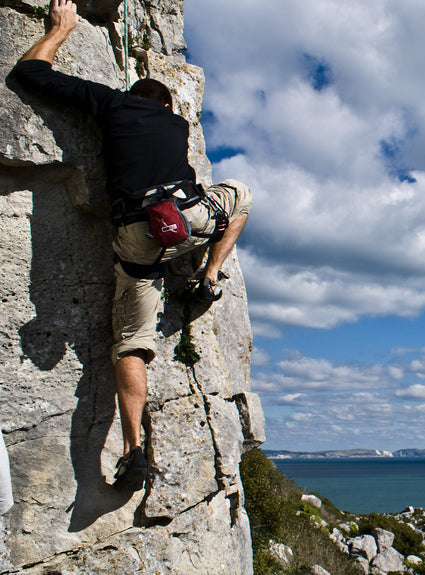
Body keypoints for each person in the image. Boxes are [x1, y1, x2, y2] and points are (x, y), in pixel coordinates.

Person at [11, 0, 253, 492]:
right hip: (186, 222)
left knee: (131, 345)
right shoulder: (177, 125)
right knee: (241, 196)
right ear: (167, 106)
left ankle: (132, 450)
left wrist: (60, 30)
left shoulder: (111, 103)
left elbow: (30, 74)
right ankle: (208, 280)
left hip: (138, 238)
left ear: (133, 97)